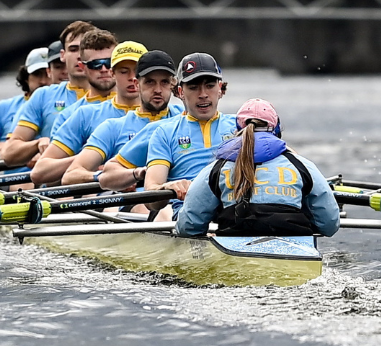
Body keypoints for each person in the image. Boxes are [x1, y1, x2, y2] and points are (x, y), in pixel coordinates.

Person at [174, 99, 339, 237]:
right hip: (295, 251)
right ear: (277, 130)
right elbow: (330, 225)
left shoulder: (216, 169)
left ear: (238, 129)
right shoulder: (303, 166)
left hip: (233, 254)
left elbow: (188, 227)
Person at [98, 53, 238, 216]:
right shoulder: (163, 131)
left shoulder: (240, 125)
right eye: (193, 87)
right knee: (163, 211)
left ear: (220, 89)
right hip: (185, 214)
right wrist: (162, 186)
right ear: (180, 92)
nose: (203, 94)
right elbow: (151, 197)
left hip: (235, 212)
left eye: (209, 85)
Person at [30, 39, 150, 185]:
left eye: (137, 72)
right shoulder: (84, 115)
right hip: (104, 197)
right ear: (113, 73)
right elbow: (40, 173)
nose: (132, 78)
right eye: (124, 71)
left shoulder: (172, 115)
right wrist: (90, 159)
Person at [64, 49, 183, 185]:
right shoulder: (113, 127)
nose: (157, 90)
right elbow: (70, 175)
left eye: (164, 82)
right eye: (150, 82)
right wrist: (119, 177)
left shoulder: (185, 118)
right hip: (131, 201)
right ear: (137, 84)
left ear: (173, 84)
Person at [0, 21, 106, 167]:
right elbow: (8, 154)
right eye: (73, 49)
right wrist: (37, 144)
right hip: (57, 181)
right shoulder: (43, 96)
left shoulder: (121, 96)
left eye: (85, 49)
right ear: (63, 55)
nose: (80, 55)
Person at [0, 48, 59, 165]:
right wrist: (0, 147)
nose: (43, 81)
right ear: (25, 78)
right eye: (37, 74)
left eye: (47, 74)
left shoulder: (69, 105)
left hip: (52, 174)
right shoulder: (4, 108)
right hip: (17, 178)